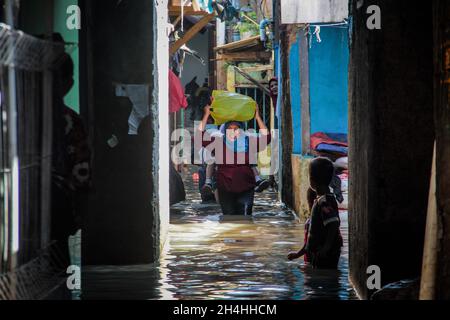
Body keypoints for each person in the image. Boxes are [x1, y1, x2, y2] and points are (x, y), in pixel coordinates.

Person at [196, 105, 271, 215]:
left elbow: (267, 138)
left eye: (236, 129)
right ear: (225, 131)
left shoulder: (249, 141)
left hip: (246, 188)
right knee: (228, 218)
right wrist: (206, 115)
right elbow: (199, 136)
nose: (233, 132)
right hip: (225, 189)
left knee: (246, 218)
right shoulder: (218, 143)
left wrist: (258, 117)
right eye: (229, 129)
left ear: (240, 131)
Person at [288, 157, 343, 269]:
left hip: (324, 255)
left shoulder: (324, 201)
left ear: (312, 180)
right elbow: (311, 236)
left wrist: (326, 248)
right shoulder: (322, 200)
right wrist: (298, 254)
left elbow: (333, 223)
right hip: (319, 253)